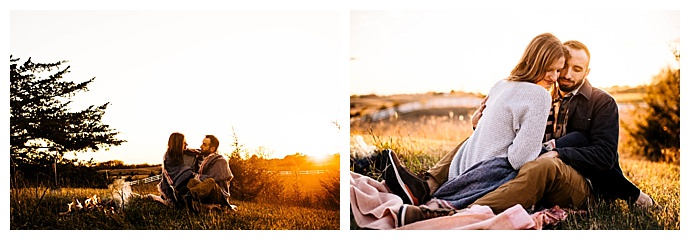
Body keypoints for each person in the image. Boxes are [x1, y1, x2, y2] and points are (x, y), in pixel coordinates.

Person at [389, 39, 654, 226]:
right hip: (533, 164)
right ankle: (425, 186)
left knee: (539, 168)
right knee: (475, 141)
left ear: (588, 72)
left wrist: (559, 153)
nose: (565, 75)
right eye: (563, 67)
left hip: (583, 184)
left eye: (577, 69)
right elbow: (512, 138)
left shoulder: (601, 102)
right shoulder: (541, 95)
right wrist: (480, 125)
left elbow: (605, 156)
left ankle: (457, 212)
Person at [358, 32, 567, 227]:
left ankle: (423, 190)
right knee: (532, 168)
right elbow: (519, 159)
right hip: (488, 175)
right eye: (550, 68)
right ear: (536, 62)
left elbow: (487, 128)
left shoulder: (501, 84)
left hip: (461, 167)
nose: (554, 77)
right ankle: (445, 212)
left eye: (558, 70)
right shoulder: (540, 96)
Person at [186, 134, 236, 211]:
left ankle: (188, 196)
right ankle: (186, 197)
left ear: (212, 149)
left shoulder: (220, 161)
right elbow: (193, 151)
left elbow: (214, 178)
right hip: (204, 192)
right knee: (192, 181)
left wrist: (199, 177)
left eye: (204, 144)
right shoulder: (201, 159)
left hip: (218, 195)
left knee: (210, 181)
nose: (201, 146)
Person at [151, 132, 197, 209]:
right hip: (172, 188)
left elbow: (193, 152)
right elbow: (174, 176)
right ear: (178, 144)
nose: (187, 144)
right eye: (184, 143)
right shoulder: (168, 158)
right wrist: (191, 174)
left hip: (184, 185)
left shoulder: (184, 154)